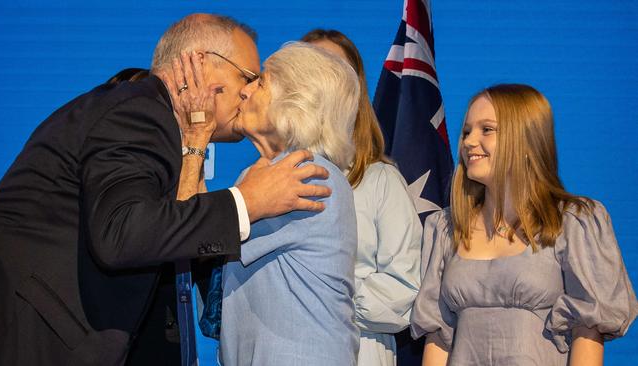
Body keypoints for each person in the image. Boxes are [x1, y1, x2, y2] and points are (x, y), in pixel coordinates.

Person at [0, 14, 333, 366]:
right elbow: (121, 233)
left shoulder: (147, 115)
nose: (247, 92)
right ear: (200, 64)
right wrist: (246, 202)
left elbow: (164, 238)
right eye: (247, 77)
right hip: (29, 332)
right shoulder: (140, 112)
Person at [410, 84, 638, 365]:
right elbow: (438, 337)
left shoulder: (573, 221)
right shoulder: (446, 228)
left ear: (526, 139)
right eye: (467, 131)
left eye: (487, 130)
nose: (469, 142)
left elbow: (587, 332)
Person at [210, 41, 361, 365]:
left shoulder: (309, 177)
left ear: (296, 101)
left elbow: (202, 235)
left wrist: (195, 134)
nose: (245, 91)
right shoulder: (263, 174)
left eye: (261, 82)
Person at [302, 29, 422, 366]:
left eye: (335, 71)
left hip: (359, 349)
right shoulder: (264, 179)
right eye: (312, 69)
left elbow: (405, 291)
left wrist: (320, 292)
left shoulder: (380, 181)